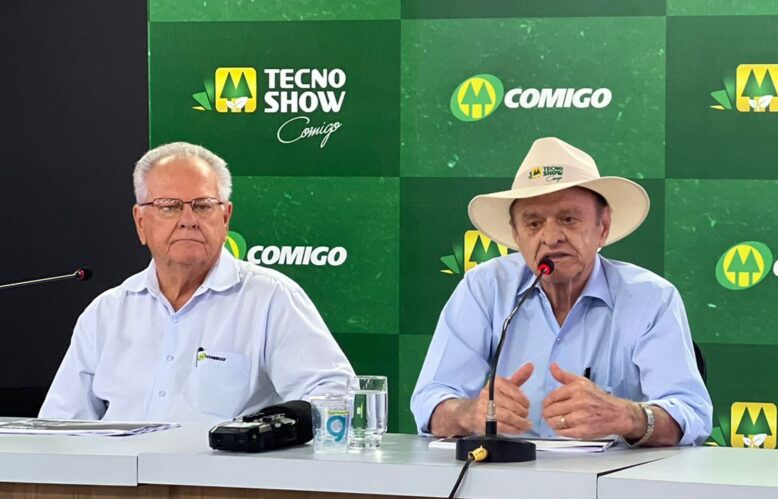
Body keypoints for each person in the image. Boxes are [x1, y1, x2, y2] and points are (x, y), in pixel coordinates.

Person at [411, 137, 711, 446]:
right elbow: (430, 402)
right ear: (515, 234)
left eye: (569, 219)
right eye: (534, 223)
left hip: (612, 486)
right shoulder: (485, 289)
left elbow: (692, 414)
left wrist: (627, 416)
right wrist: (468, 413)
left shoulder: (651, 298)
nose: (551, 238)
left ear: (603, 227)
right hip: (502, 483)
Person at [39, 142, 354, 422]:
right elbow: (59, 425)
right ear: (140, 222)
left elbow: (334, 395)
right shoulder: (106, 313)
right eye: (169, 206)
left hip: (225, 485)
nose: (188, 219)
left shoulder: (269, 299)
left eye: (203, 205)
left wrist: (266, 437)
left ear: (226, 218)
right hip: (116, 484)